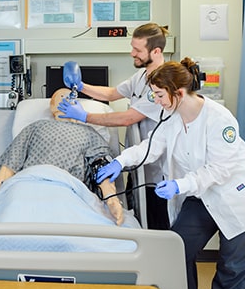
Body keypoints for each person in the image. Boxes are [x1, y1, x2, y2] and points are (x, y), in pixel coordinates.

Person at [96, 58, 245, 289]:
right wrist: (120, 161)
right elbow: (152, 146)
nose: (156, 101)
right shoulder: (172, 116)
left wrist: (179, 185)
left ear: (179, 92)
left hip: (238, 197)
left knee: (231, 269)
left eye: (159, 95)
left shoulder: (219, 119)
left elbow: (219, 170)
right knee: (175, 253)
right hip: (202, 196)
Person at [58, 22, 170, 230]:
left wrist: (84, 116)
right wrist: (80, 86)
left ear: (156, 51)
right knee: (140, 220)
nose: (132, 53)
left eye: (137, 50)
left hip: (157, 170)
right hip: (139, 163)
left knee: (157, 225)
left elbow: (128, 118)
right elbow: (111, 94)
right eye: (132, 47)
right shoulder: (141, 76)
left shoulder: (163, 82)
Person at [0, 88, 125, 225]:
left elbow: (101, 165)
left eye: (70, 97)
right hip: (27, 184)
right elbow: (12, 161)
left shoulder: (90, 133)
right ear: (52, 107)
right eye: (61, 97)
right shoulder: (36, 127)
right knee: (10, 213)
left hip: (68, 188)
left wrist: (111, 197)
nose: (66, 100)